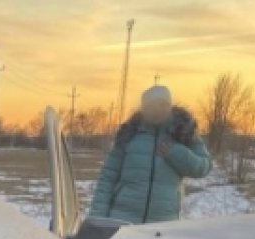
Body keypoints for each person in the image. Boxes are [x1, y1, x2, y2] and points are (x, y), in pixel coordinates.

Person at [89, 85, 211, 224]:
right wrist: (96, 219)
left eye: (162, 104)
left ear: (170, 106)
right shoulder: (129, 134)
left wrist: (175, 153)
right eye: (151, 105)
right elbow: (107, 178)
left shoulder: (184, 132)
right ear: (143, 108)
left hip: (163, 224)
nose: (157, 109)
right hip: (122, 220)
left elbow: (203, 167)